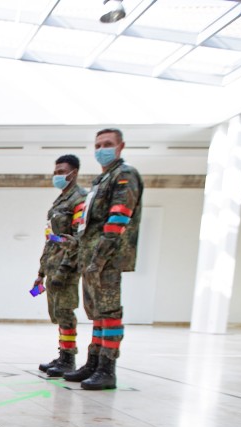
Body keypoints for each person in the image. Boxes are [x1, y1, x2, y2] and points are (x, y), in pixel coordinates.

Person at [63, 128, 143, 390]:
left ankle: (107, 369)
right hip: (92, 257)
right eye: (98, 145)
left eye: (107, 144)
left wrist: (99, 257)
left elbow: (118, 218)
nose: (101, 149)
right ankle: (94, 362)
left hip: (107, 257)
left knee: (109, 313)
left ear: (121, 146)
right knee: (98, 314)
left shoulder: (124, 175)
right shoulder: (102, 180)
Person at [35, 154, 87, 377]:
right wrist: (41, 272)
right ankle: (63, 354)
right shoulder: (59, 202)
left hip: (67, 267)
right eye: (55, 172)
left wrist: (64, 270)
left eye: (61, 172)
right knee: (58, 312)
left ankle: (68, 359)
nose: (57, 176)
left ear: (73, 173)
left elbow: (78, 240)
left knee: (65, 312)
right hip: (53, 265)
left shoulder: (79, 199)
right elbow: (51, 240)